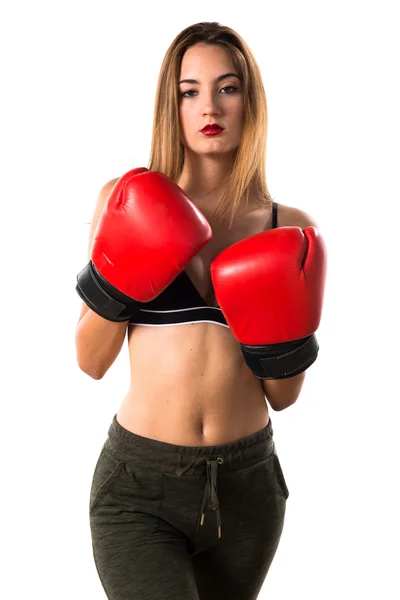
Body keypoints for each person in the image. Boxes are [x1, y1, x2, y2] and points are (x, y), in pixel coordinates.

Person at [75, 21, 327, 600]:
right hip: (140, 485)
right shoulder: (128, 198)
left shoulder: (289, 229)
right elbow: (90, 361)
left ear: (249, 102)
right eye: (189, 91)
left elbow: (283, 396)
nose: (209, 106)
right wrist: (130, 271)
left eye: (227, 88)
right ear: (173, 105)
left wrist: (277, 320)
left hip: (248, 488)